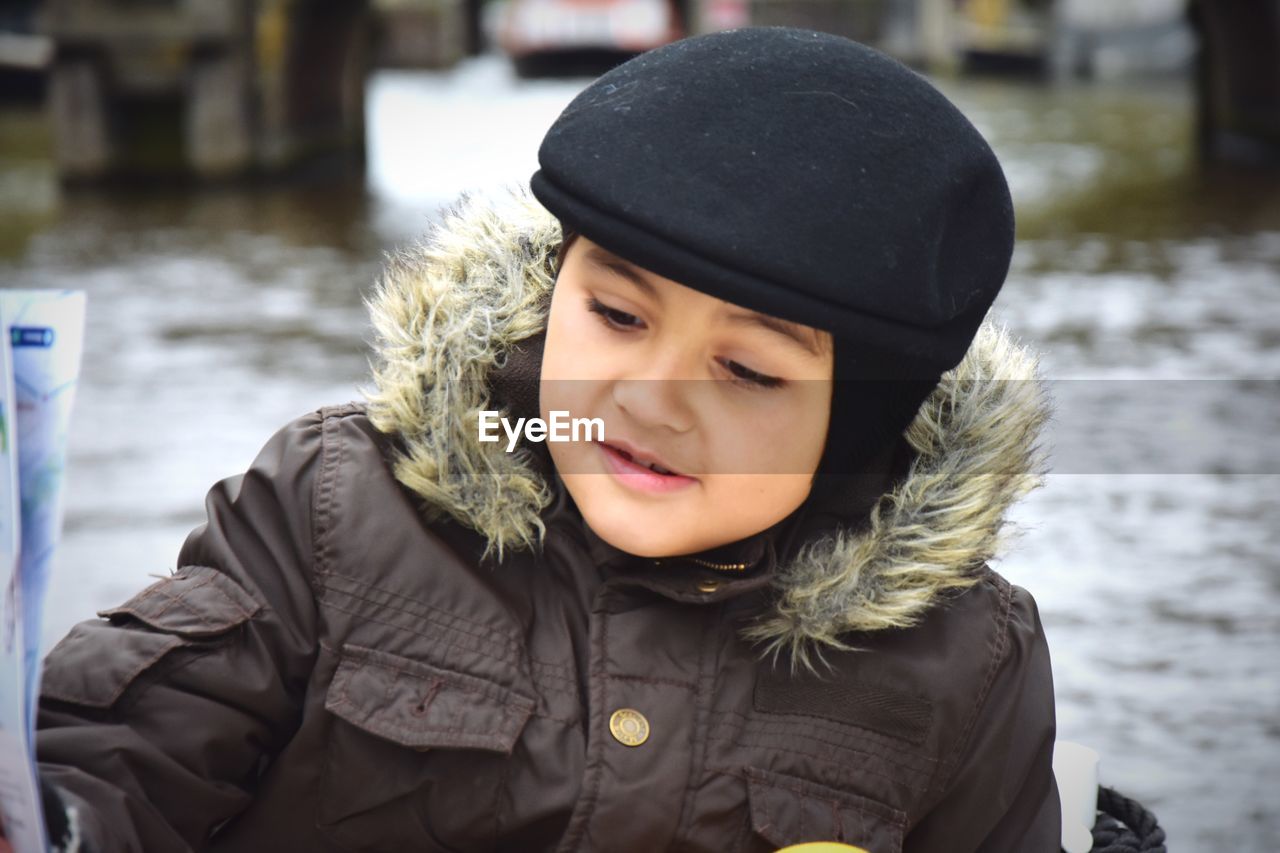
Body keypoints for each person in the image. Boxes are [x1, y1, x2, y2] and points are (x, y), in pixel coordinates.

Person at [30, 26, 1060, 853]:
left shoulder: (965, 661)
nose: (649, 400)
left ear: (859, 424)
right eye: (615, 314)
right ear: (551, 287)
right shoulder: (334, 504)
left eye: (745, 371)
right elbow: (120, 761)